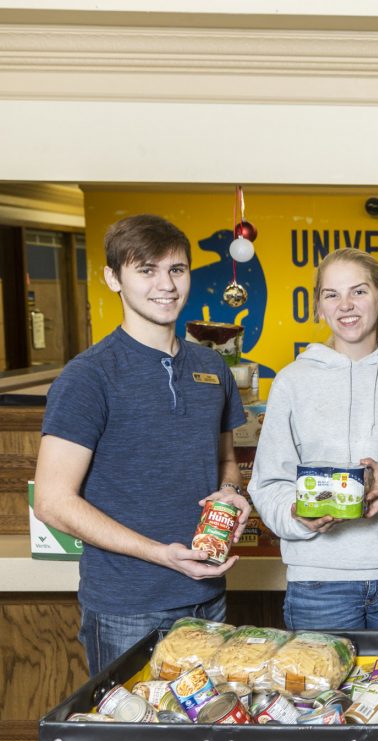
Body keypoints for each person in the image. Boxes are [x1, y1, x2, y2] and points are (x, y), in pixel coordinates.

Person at [33, 214, 250, 674]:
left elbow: (225, 461)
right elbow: (52, 502)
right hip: (126, 610)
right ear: (114, 278)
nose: (166, 285)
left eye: (176, 269)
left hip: (208, 599)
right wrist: (160, 554)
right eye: (146, 270)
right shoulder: (88, 377)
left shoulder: (213, 369)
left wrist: (232, 494)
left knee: (209, 737)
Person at [249, 248, 378, 630]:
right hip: (318, 581)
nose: (345, 305)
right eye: (331, 294)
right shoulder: (292, 381)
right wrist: (296, 516)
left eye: (359, 292)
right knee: (321, 690)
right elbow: (267, 483)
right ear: (319, 306)